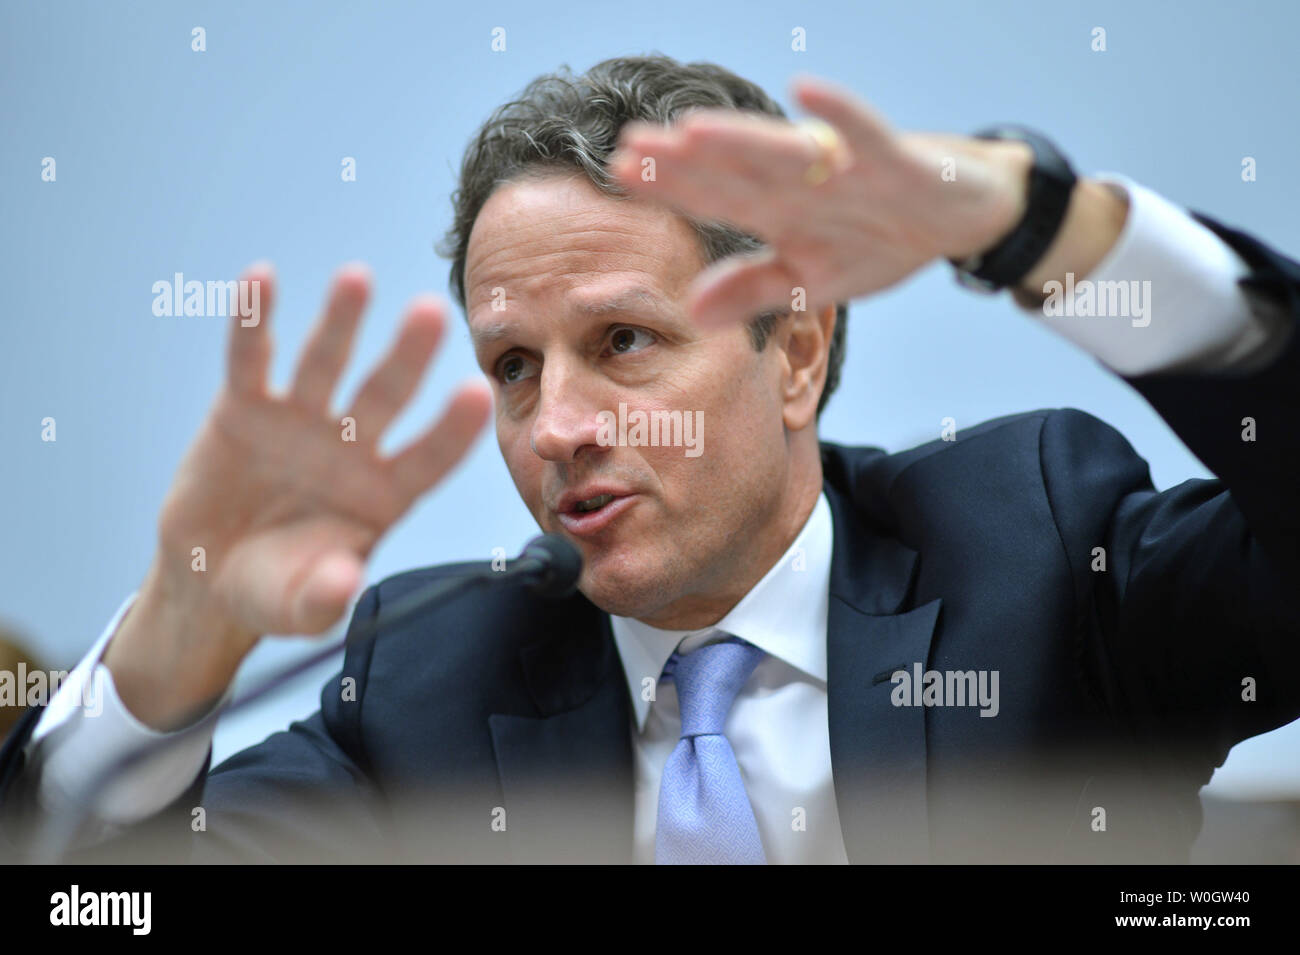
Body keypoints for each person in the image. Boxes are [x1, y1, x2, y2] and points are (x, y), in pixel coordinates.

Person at [1, 54, 1297, 864]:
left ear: (793, 353)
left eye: (623, 340)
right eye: (514, 368)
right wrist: (185, 625)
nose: (556, 425)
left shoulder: (1036, 551)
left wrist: (1048, 228)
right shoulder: (432, 681)